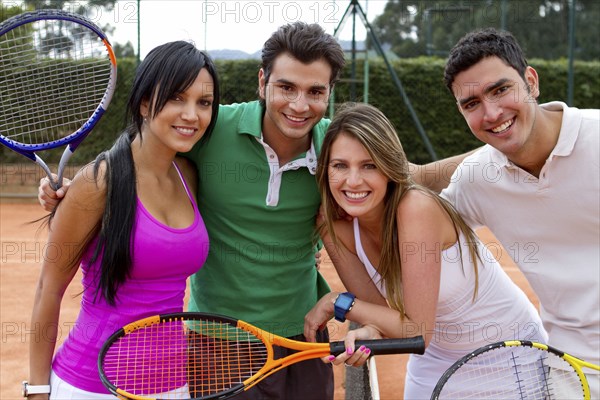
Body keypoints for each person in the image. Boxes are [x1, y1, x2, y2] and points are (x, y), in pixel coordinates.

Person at [37, 22, 466, 399]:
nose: (299, 105)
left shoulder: (337, 152)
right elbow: (146, 159)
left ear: (330, 93)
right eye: (286, 87)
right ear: (262, 82)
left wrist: (522, 130)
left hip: (304, 342)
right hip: (212, 347)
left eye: (315, 91)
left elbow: (417, 174)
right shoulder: (206, 131)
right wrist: (82, 192)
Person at [303, 102, 548, 398]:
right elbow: (382, 314)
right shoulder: (333, 226)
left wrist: (335, 302)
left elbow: (415, 331)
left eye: (369, 165)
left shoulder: (415, 208)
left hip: (506, 355)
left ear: (389, 167)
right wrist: (373, 330)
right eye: (340, 165)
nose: (353, 181)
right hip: (433, 361)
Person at [26, 41, 219, 399]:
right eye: (177, 98)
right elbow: (48, 290)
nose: (192, 115)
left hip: (172, 386)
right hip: (92, 385)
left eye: (203, 103)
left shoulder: (189, 174)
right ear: (145, 103)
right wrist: (37, 389)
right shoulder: (97, 182)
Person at [441, 28, 599, 398]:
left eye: (500, 90)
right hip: (572, 373)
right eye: (471, 103)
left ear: (531, 81)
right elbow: (414, 228)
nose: (492, 113)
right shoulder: (476, 179)